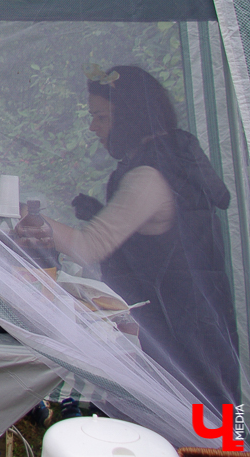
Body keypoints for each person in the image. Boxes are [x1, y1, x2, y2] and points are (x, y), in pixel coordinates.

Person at [48, 65, 239, 411]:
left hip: (179, 336)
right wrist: (99, 211)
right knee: (217, 418)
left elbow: (89, 247)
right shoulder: (175, 158)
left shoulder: (149, 175)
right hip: (200, 326)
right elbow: (163, 238)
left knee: (196, 425)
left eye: (101, 117)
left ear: (129, 117)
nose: (93, 127)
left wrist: (31, 217)